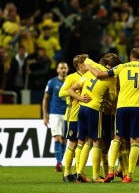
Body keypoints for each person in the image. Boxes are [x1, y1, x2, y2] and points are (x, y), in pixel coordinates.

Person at [86, 47, 139, 183]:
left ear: (130, 56)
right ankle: (129, 175)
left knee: (117, 139)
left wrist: (89, 67)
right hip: (137, 108)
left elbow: (99, 75)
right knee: (135, 142)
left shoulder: (121, 67)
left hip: (121, 107)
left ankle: (110, 172)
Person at [68, 54, 122, 183]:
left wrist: (80, 97)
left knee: (86, 141)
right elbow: (113, 98)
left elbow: (71, 89)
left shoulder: (90, 70)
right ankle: (96, 176)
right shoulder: (111, 79)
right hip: (94, 110)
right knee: (97, 142)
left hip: (82, 108)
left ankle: (79, 173)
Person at [59, 54, 90, 182]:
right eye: (86, 62)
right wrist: (78, 95)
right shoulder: (72, 77)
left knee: (82, 143)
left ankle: (77, 172)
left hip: (85, 115)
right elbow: (61, 93)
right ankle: (66, 173)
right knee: (73, 143)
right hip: (73, 116)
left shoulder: (89, 76)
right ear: (80, 65)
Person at [42, 61, 69, 172]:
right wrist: (45, 115)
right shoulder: (52, 82)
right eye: (61, 68)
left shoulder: (71, 82)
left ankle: (60, 162)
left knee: (64, 140)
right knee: (57, 138)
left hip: (68, 113)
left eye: (65, 68)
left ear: (67, 70)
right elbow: (46, 99)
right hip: (55, 113)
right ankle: (58, 163)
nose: (63, 70)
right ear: (57, 70)